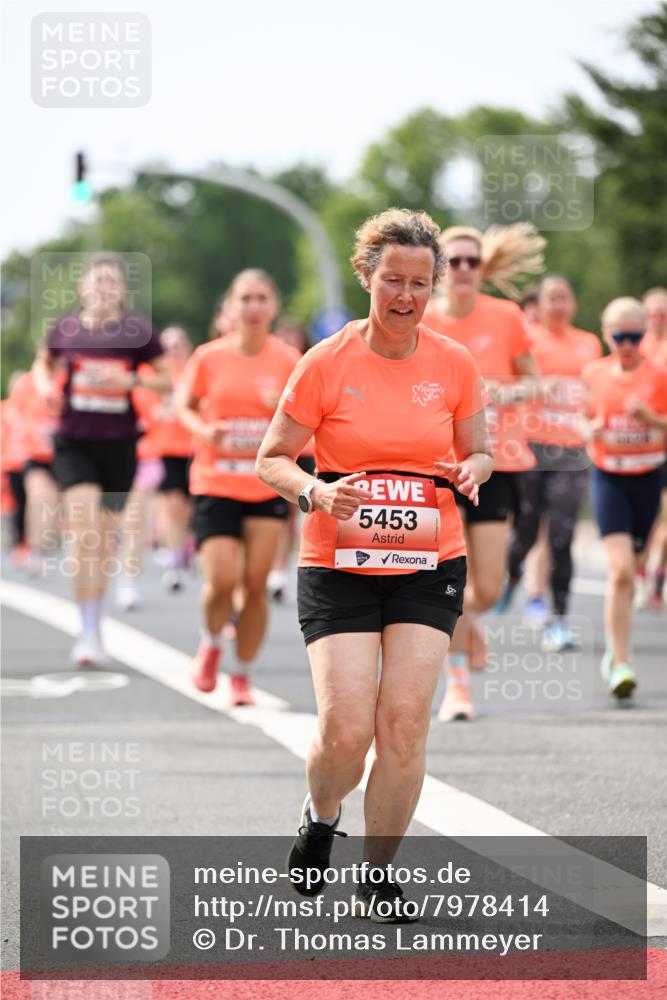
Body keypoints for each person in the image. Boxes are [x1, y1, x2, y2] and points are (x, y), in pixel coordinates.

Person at [256, 208, 491, 921]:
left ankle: (379, 873)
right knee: (346, 730)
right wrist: (315, 490)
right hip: (339, 563)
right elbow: (270, 458)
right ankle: (320, 818)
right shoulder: (326, 361)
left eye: (421, 283)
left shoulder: (453, 363)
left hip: (428, 558)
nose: (406, 296)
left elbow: (479, 447)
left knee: (404, 726)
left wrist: (473, 468)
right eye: (393, 280)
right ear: (367, 276)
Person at [422, 223, 544, 721]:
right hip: (436, 467)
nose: (464, 270)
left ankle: (472, 619)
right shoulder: (423, 318)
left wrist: (501, 393)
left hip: (499, 461)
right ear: (438, 269)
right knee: (450, 581)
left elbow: (534, 381)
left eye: (473, 261)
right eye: (454, 261)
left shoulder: (507, 316)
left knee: (487, 589)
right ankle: (458, 687)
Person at [32, 253, 171, 665]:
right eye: (98, 281)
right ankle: (87, 631)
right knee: (85, 525)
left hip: (119, 446)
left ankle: (96, 619)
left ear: (122, 290)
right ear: (82, 288)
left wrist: (131, 379)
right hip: (75, 442)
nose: (104, 289)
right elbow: (44, 364)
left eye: (112, 282)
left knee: (104, 541)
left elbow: (165, 379)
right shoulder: (66, 329)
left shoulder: (138, 333)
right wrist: (45, 387)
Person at [177, 269, 300, 706]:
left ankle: (243, 674)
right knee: (223, 580)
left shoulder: (288, 360)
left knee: (255, 583)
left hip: (266, 485)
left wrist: (281, 411)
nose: (252, 306)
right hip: (215, 482)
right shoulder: (209, 357)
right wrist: (204, 430)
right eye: (244, 298)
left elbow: (308, 418)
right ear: (231, 306)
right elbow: (185, 407)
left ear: (273, 306)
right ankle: (211, 643)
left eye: (261, 298)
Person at [498, 276, 602, 650]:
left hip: (571, 452)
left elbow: (594, 394)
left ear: (572, 303)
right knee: (525, 532)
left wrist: (593, 420)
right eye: (551, 298)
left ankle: (558, 619)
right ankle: (510, 575)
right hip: (531, 447)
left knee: (561, 534)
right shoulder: (528, 342)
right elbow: (510, 388)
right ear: (538, 305)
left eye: (564, 297)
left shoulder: (589, 343)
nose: (558, 304)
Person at [580, 297, 667, 698]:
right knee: (618, 572)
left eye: (635, 336)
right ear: (606, 334)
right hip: (609, 477)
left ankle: (617, 652)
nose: (628, 345)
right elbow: (580, 420)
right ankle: (620, 661)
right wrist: (590, 429)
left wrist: (651, 420)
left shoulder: (659, 373)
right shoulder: (594, 373)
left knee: (631, 573)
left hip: (648, 477)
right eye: (620, 337)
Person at [267, 317, 314, 602]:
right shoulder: (271, 363)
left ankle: (280, 571)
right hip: (278, 453)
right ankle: (272, 568)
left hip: (307, 451)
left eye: (293, 336)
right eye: (284, 337)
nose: (289, 343)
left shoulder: (309, 362)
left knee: (291, 516)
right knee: (275, 515)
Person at [636, 287, 667, 609]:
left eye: (663, 313)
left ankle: (657, 573)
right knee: (648, 519)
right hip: (638, 447)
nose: (659, 319)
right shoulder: (633, 346)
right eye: (653, 313)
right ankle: (643, 569)